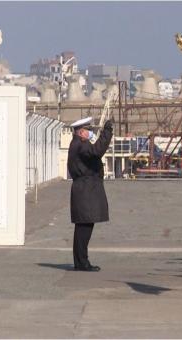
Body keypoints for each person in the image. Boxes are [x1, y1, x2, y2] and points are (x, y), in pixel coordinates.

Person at [68, 117, 113, 272]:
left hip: (85, 188)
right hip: (85, 189)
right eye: (88, 130)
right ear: (81, 132)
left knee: (84, 225)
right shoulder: (80, 145)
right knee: (84, 226)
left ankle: (80, 261)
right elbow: (97, 151)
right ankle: (82, 262)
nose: (90, 133)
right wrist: (107, 132)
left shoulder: (77, 144)